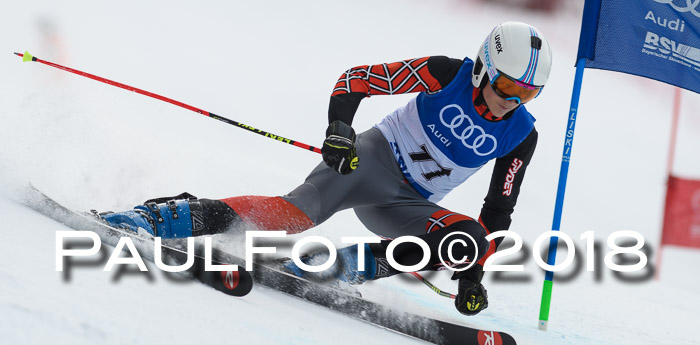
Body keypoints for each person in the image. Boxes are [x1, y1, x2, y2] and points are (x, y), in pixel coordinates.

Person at [100, 21, 553, 316]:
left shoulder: (521, 135)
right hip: (367, 163)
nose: (511, 100)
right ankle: (161, 217)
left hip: (407, 207)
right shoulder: (446, 73)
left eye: (528, 94)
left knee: (467, 241)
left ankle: (335, 269)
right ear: (484, 68)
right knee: (290, 217)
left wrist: (472, 273)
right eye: (508, 84)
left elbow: (498, 212)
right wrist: (340, 130)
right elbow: (358, 80)